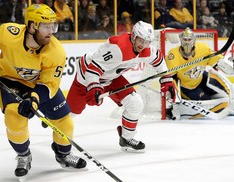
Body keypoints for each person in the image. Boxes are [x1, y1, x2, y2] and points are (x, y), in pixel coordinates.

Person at [0, 4, 87, 182]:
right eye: (46, 26)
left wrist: (34, 100)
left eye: (53, 26)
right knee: (15, 118)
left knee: (65, 122)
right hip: (11, 81)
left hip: (39, 86)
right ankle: (23, 155)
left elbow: (49, 84)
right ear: (31, 26)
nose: (51, 31)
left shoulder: (56, 51)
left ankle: (63, 155)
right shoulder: (9, 33)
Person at [66, 21, 168, 153]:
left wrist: (167, 78)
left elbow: (159, 60)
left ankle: (126, 138)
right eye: (140, 40)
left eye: (147, 41)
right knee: (70, 113)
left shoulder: (147, 49)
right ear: (134, 36)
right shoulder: (118, 48)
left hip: (111, 77)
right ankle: (58, 131)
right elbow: (93, 68)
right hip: (87, 76)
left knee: (135, 102)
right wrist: (93, 87)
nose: (143, 45)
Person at [161, 27, 234, 119]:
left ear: (194, 40)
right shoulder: (173, 56)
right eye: (185, 39)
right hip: (188, 87)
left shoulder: (203, 48)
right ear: (181, 40)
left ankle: (231, 104)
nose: (187, 42)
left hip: (202, 77)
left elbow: (215, 61)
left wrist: (225, 64)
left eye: (189, 39)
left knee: (225, 90)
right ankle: (182, 110)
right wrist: (175, 95)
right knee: (207, 102)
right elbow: (172, 79)